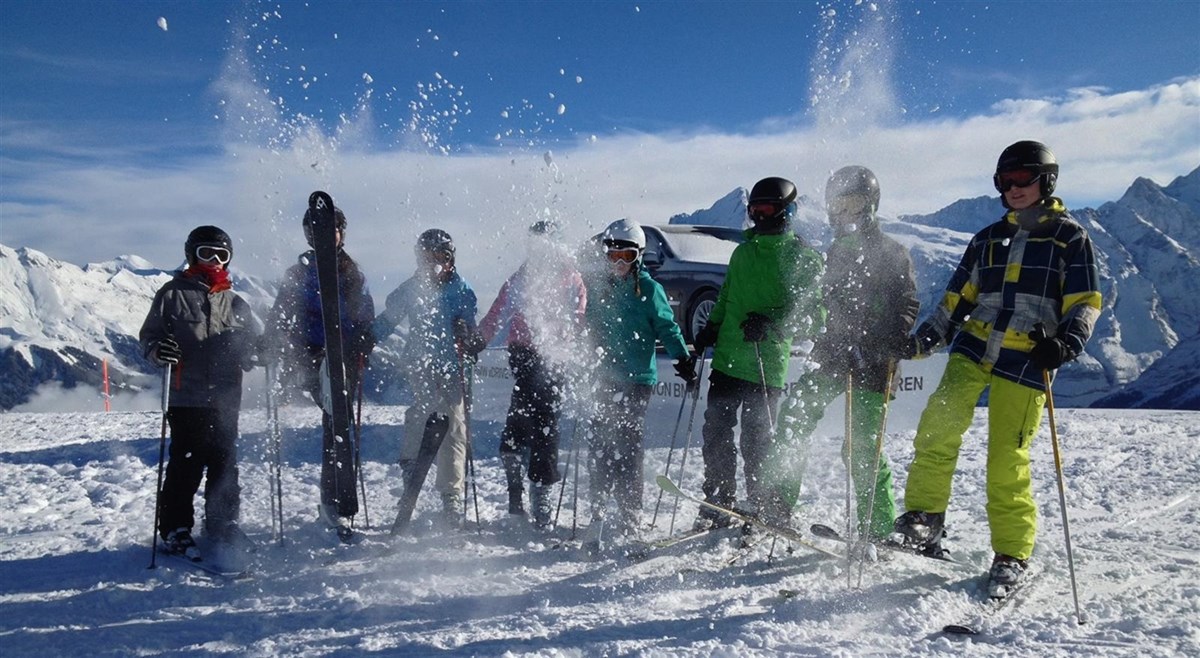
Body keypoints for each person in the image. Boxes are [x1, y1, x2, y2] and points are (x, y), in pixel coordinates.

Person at [892, 140, 1101, 593]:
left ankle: (1012, 552)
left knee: (1007, 456)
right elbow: (956, 300)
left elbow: (1085, 301)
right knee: (937, 427)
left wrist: (1067, 343)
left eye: (1024, 179)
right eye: (1006, 181)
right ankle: (924, 519)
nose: (1014, 188)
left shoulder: (1069, 237)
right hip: (975, 345)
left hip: (1030, 353)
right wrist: (924, 340)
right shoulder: (987, 238)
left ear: (1046, 181)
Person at [760, 166, 920, 544]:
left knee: (862, 445)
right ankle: (779, 504)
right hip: (832, 354)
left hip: (874, 361)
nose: (846, 214)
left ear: (871, 207)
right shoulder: (831, 255)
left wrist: (883, 342)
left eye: (854, 205)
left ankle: (878, 527)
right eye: (839, 206)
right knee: (795, 416)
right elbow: (817, 305)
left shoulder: (892, 253)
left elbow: (907, 305)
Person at [691, 177, 825, 531]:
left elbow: (815, 315)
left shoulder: (803, 257)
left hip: (766, 364)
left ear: (787, 211)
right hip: (727, 360)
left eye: (766, 210)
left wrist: (773, 323)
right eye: (753, 211)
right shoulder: (742, 253)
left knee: (757, 441)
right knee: (716, 433)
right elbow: (726, 298)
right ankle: (719, 500)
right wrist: (710, 328)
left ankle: (759, 504)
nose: (758, 218)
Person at [140, 225, 260, 559]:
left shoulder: (235, 302)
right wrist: (157, 351)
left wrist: (259, 351)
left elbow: (249, 346)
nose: (214, 261)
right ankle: (176, 528)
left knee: (224, 463)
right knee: (186, 464)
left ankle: (222, 523)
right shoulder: (171, 294)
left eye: (221, 255)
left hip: (225, 397)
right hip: (186, 395)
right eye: (207, 253)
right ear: (192, 254)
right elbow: (149, 337)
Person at [265, 203, 376, 540]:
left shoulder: (352, 273)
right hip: (313, 356)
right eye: (317, 231)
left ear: (341, 232)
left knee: (339, 428)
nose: (325, 236)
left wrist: (363, 338)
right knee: (335, 425)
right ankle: (334, 502)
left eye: (332, 229)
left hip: (344, 356)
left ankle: (338, 502)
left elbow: (364, 313)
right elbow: (282, 312)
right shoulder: (298, 274)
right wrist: (273, 342)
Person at [582, 218, 695, 541]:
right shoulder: (599, 287)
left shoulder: (649, 289)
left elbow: (667, 326)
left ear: (639, 256)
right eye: (613, 256)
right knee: (600, 444)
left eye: (626, 257)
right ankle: (599, 511)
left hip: (637, 380)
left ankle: (631, 515)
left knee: (627, 446)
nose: (618, 264)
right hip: (605, 377)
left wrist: (683, 359)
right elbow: (589, 324)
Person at [476, 220, 587, 529]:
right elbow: (498, 312)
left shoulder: (570, 279)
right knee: (540, 422)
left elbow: (578, 316)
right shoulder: (523, 277)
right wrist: (478, 340)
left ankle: (532, 490)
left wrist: (568, 335)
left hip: (552, 357)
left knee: (536, 420)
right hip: (526, 355)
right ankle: (528, 491)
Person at [374, 228, 481, 528]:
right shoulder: (411, 289)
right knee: (422, 412)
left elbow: (472, 332)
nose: (435, 265)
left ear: (451, 259)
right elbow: (389, 319)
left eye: (441, 257)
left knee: (454, 425)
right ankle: (412, 466)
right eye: (428, 258)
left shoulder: (462, 290)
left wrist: (467, 337)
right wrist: (367, 338)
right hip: (421, 364)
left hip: (452, 366)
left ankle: (451, 494)